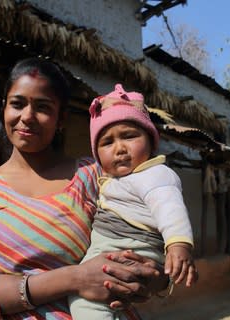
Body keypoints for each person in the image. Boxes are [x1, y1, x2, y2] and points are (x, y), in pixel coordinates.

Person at [0, 58, 166, 319]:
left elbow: (153, 231)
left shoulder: (94, 176)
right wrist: (76, 278)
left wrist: (155, 280)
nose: (27, 117)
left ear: (61, 118)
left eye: (43, 107)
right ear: (4, 108)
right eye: (17, 104)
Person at [69, 84, 198, 320]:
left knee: (87, 304)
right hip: (115, 249)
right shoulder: (115, 179)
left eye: (129, 136)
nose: (119, 148)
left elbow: (170, 209)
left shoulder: (155, 174)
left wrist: (178, 244)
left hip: (128, 248)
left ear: (150, 142)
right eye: (107, 143)